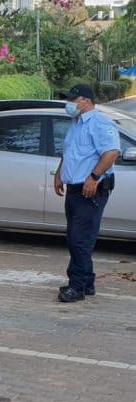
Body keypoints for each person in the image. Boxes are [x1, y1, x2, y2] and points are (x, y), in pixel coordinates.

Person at [53, 83, 120, 302]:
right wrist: (59, 174)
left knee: (79, 239)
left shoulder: (100, 123)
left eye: (73, 100)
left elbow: (111, 152)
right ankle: (87, 281)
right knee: (76, 237)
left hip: (91, 190)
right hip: (74, 189)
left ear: (87, 101)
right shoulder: (76, 123)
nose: (69, 104)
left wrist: (94, 176)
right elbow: (70, 152)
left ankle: (77, 287)